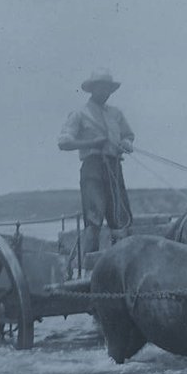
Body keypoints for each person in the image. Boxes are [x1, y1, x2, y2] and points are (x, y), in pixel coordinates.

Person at [58, 70, 135, 252]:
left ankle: (122, 262)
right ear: (93, 89)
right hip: (93, 168)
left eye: (108, 89)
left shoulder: (116, 114)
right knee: (94, 220)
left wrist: (125, 143)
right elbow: (63, 142)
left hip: (115, 167)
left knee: (121, 219)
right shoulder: (79, 114)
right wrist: (92, 142)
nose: (105, 92)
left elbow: (129, 135)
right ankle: (90, 265)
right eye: (102, 88)